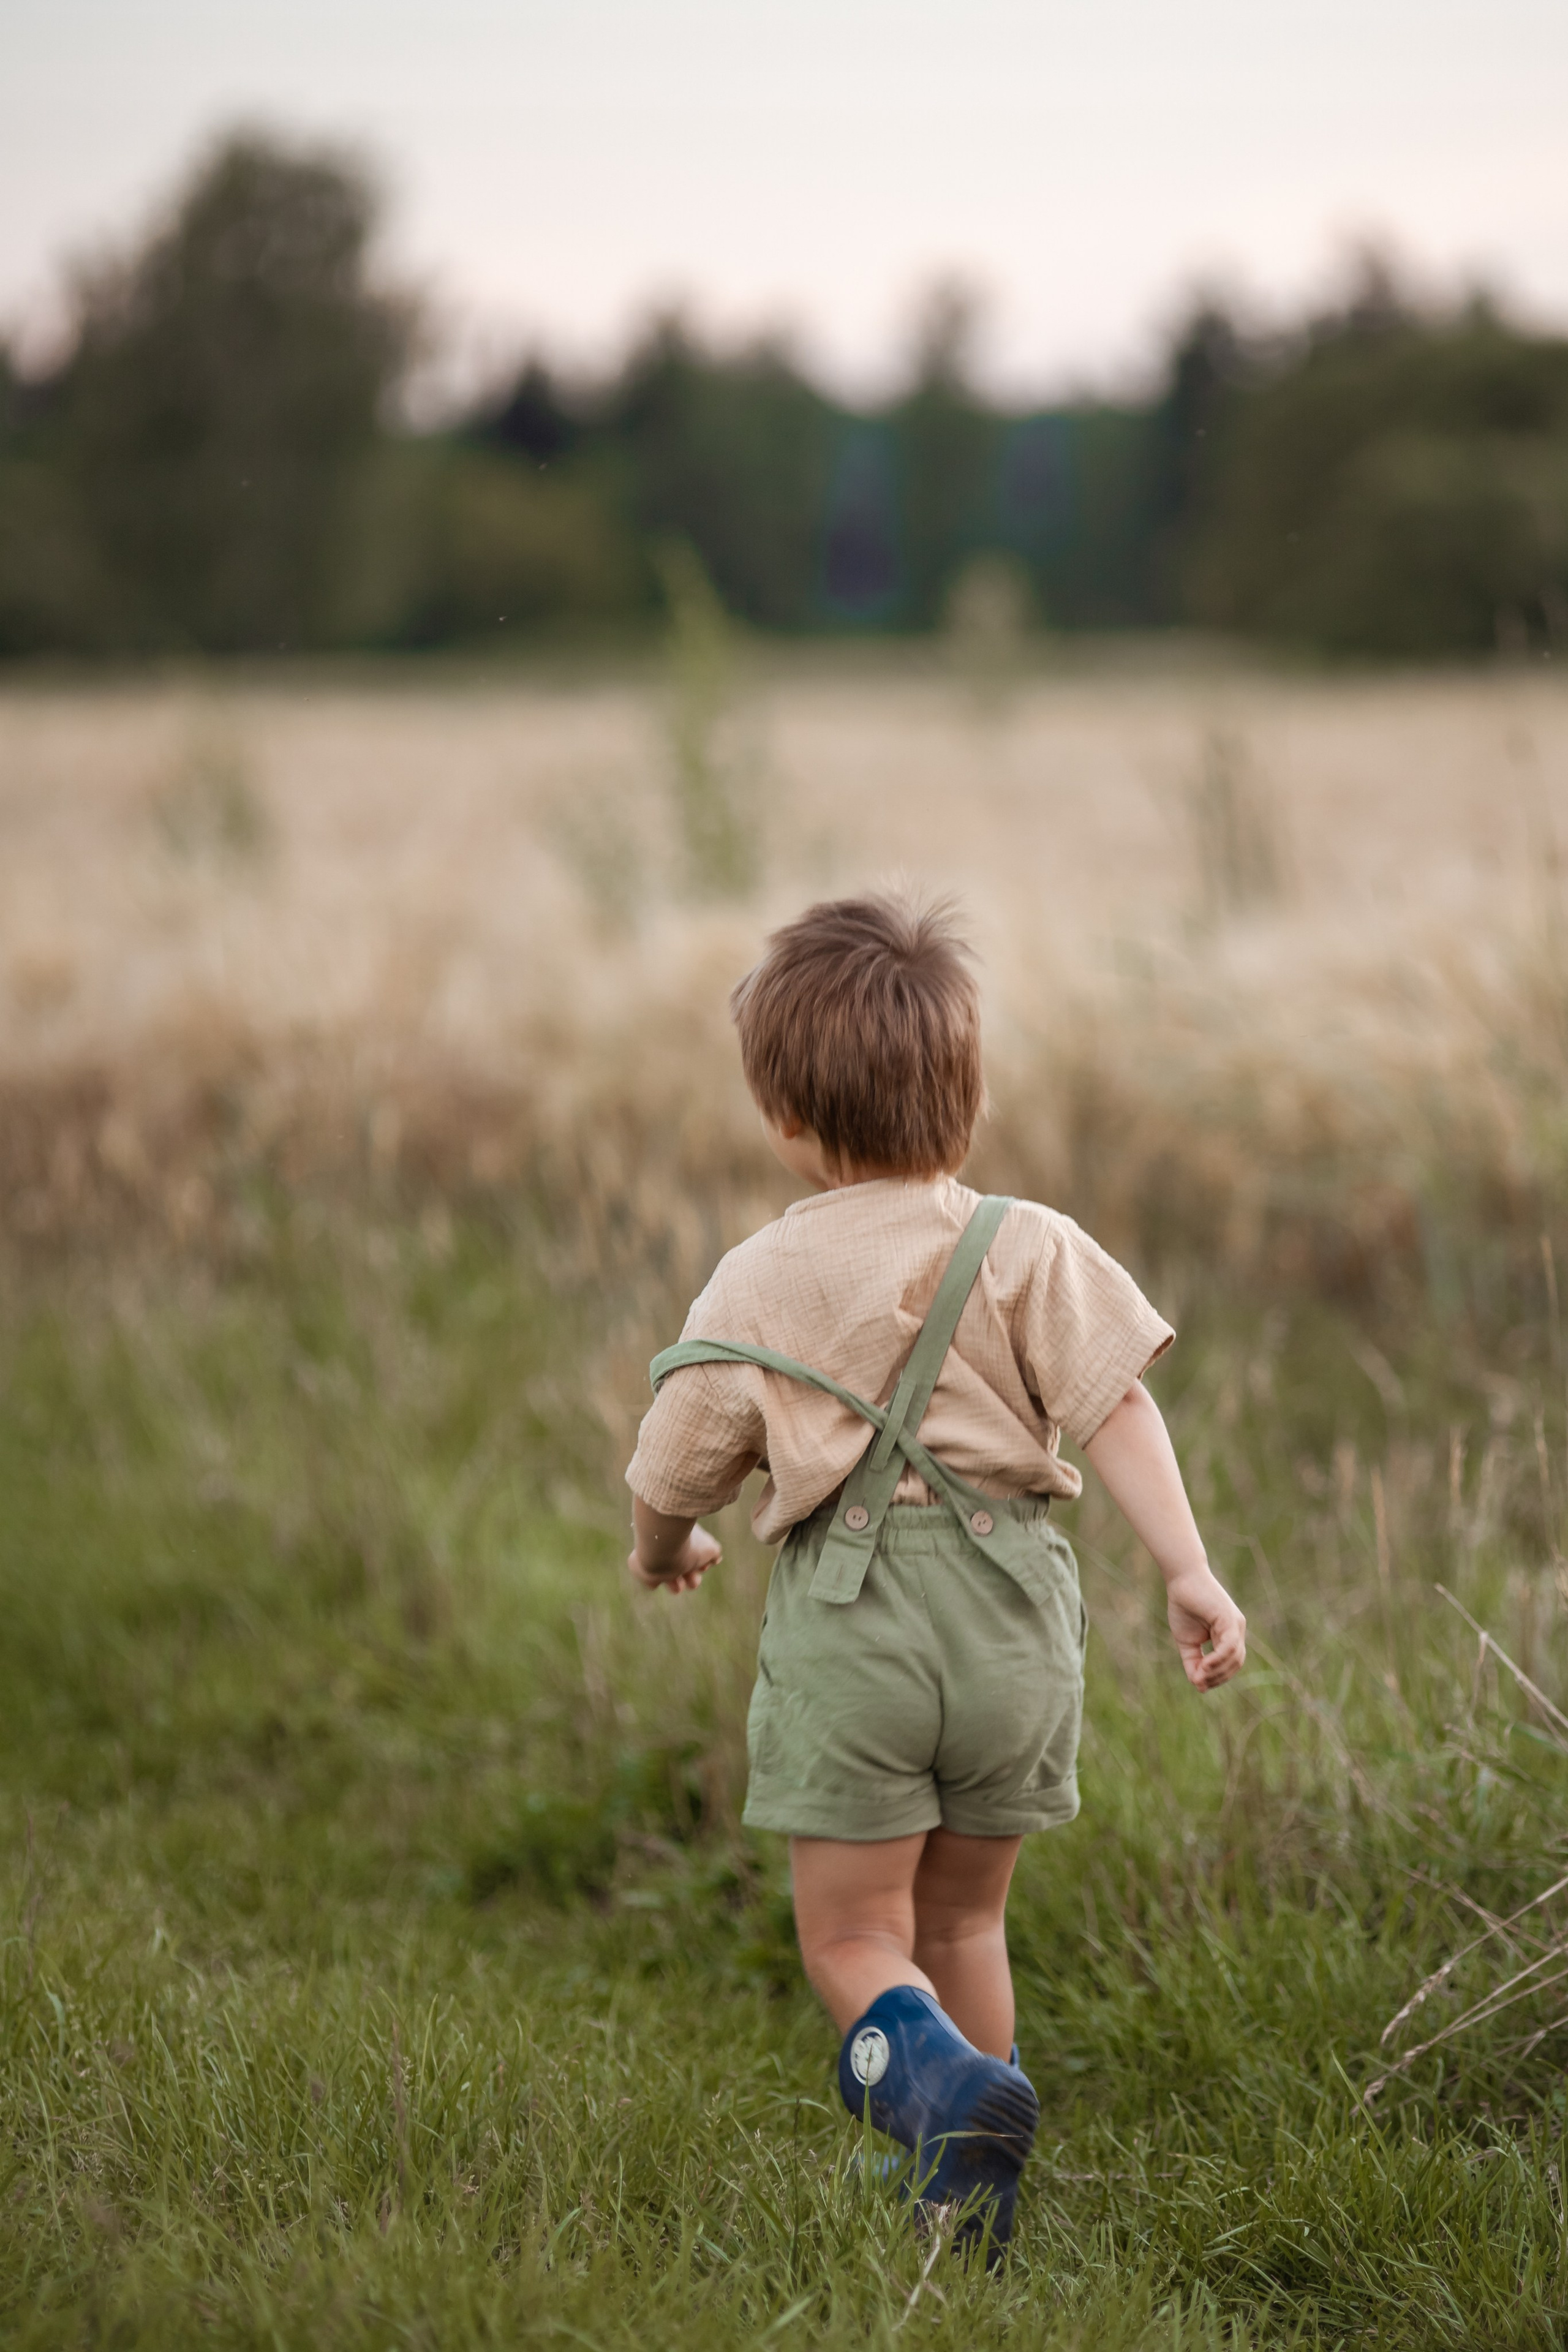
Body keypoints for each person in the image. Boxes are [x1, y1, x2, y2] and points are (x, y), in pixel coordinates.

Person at [624, 892, 1246, 2258]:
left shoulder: (757, 1275)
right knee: (965, 1916)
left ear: (783, 1118)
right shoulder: (1028, 1243)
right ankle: (968, 2194)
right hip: (1014, 1621)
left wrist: (664, 1554)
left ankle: (942, 2106)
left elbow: (673, 1466)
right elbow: (1119, 1410)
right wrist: (1188, 1574)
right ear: (964, 1096)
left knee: (852, 1937)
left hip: (859, 1637)